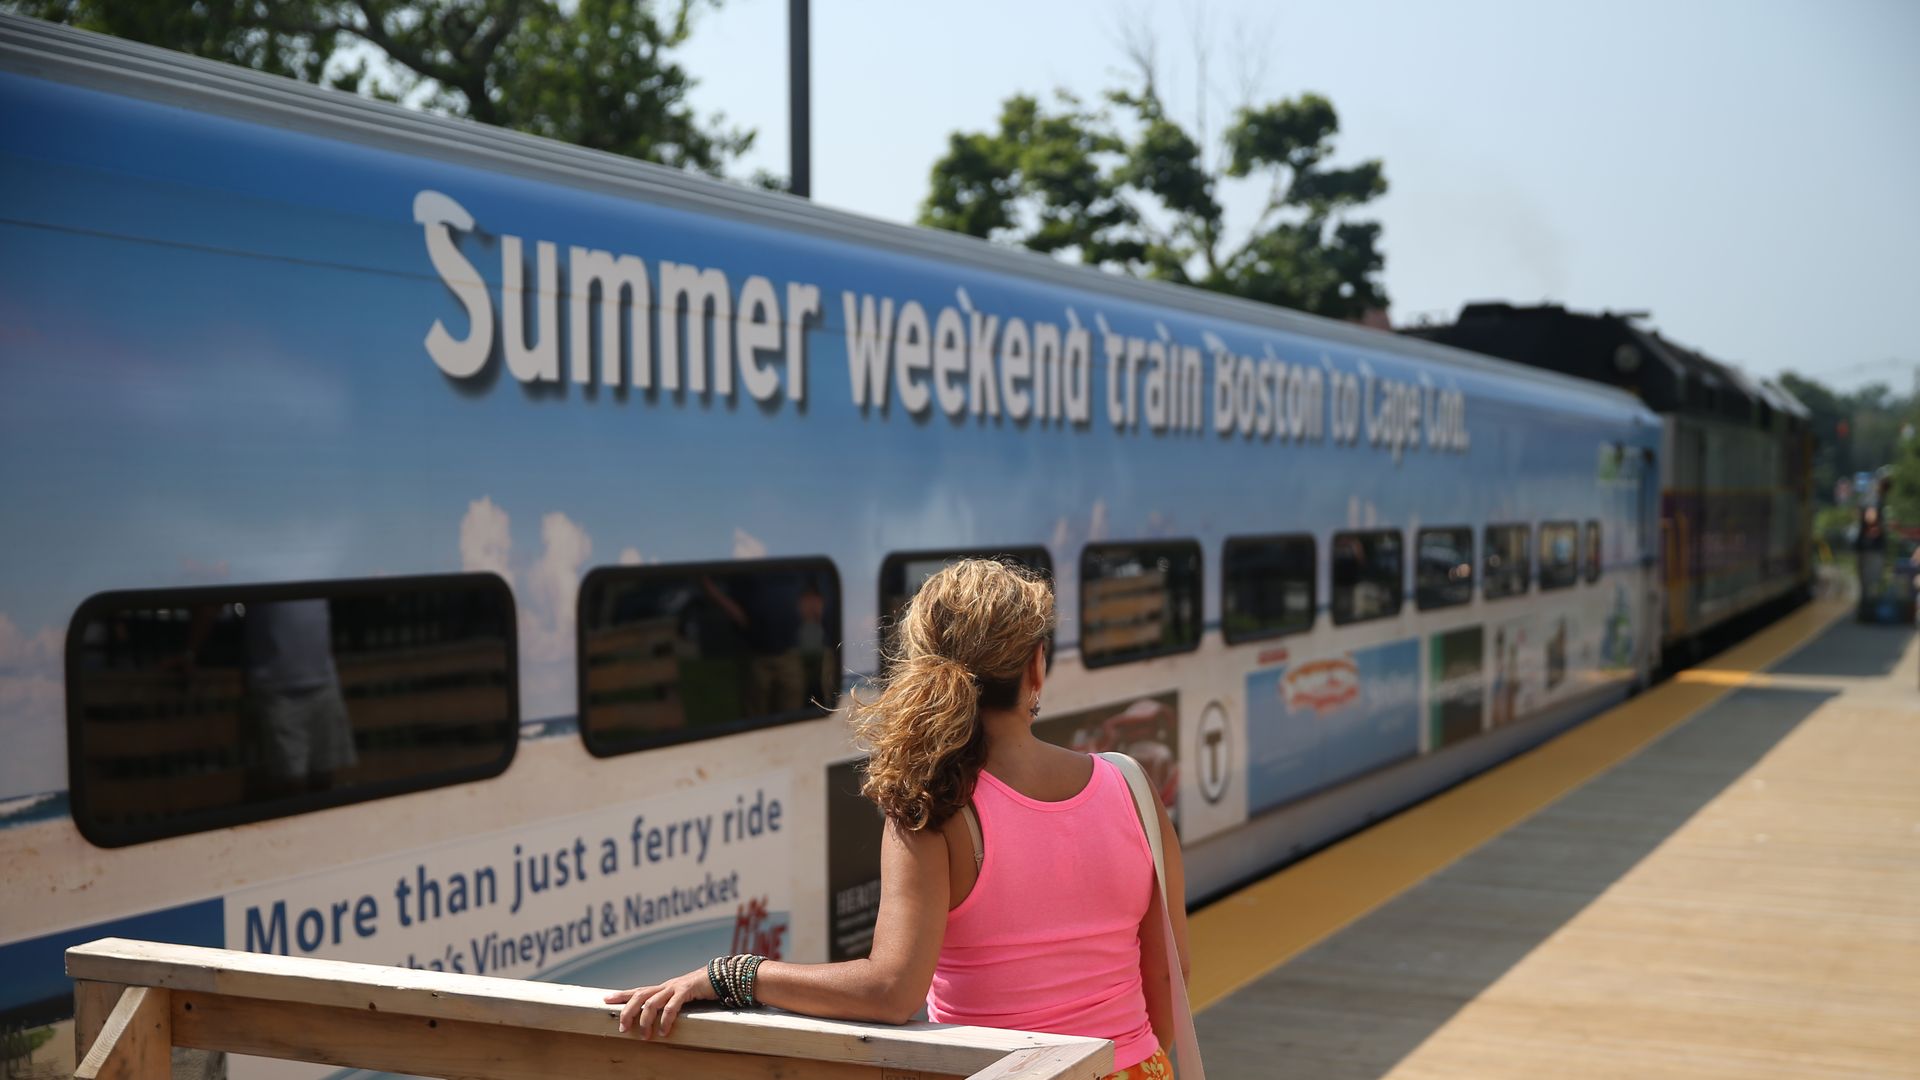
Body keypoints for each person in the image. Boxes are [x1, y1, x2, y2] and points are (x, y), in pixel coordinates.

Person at [606, 559, 1189, 1079]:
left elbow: (889, 991)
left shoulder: (936, 806)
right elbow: (1168, 978)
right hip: (1135, 1067)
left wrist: (734, 974)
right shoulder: (1132, 787)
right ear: (1036, 669)